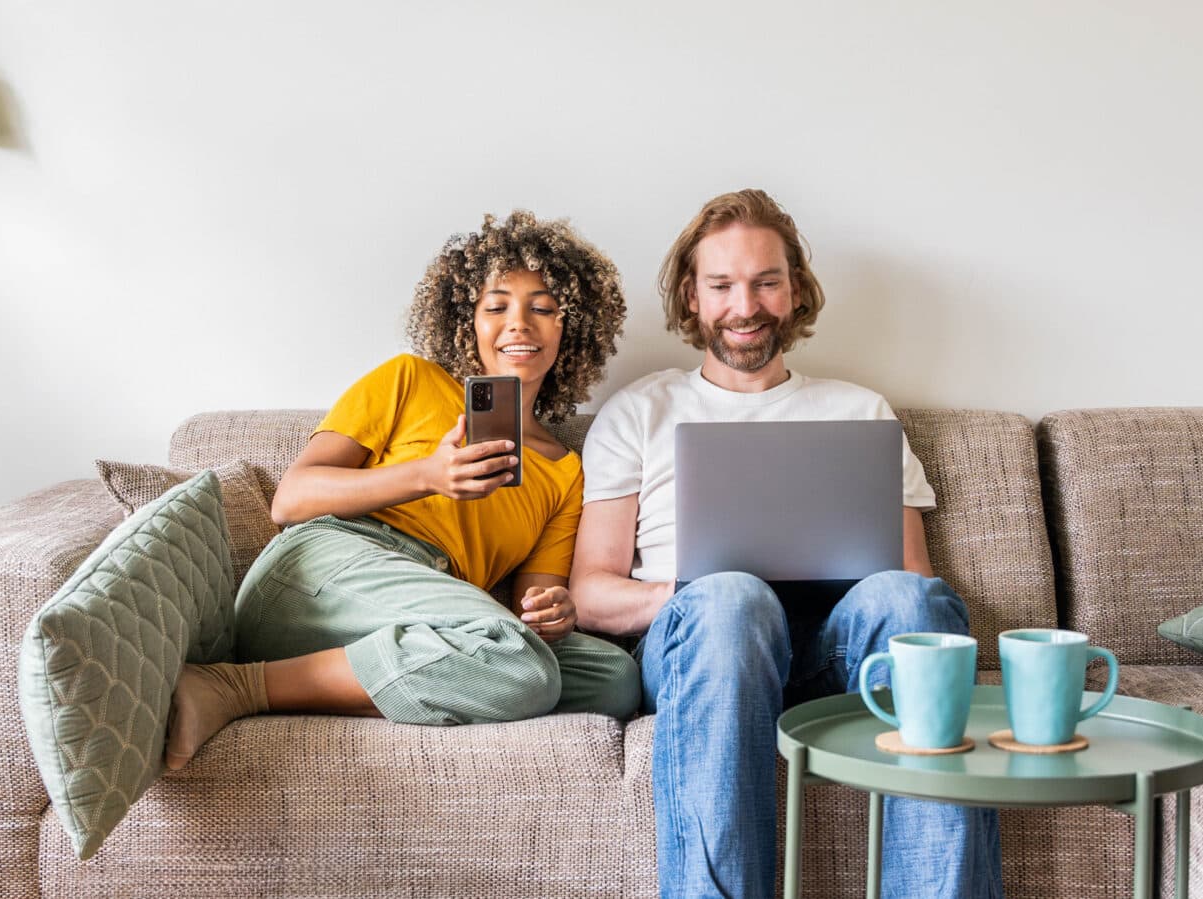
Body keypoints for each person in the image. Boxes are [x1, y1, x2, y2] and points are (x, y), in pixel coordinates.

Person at [569, 189, 1003, 899]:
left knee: (908, 597)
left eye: (767, 281)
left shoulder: (860, 412)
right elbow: (590, 592)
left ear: (794, 289)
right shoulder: (641, 412)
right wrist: (692, 593)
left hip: (832, 648)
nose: (747, 305)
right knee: (735, 598)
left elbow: (914, 591)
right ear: (692, 295)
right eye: (723, 285)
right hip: (706, 645)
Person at [164, 210, 642, 772]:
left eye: (543, 307)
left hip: (427, 613)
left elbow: (527, 609)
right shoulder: (409, 379)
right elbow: (290, 499)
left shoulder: (566, 473)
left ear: (572, 327)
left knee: (613, 679)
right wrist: (427, 475)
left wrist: (553, 611)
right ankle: (234, 688)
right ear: (467, 321)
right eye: (497, 307)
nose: (519, 324)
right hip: (326, 569)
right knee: (520, 663)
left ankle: (369, 677)